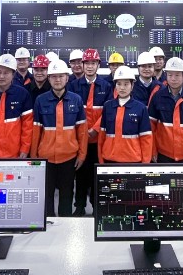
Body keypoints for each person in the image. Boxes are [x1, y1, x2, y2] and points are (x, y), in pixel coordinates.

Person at [31, 60, 87, 217]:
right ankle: (48, 224)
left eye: (61, 76)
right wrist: (34, 157)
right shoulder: (40, 100)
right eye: (54, 76)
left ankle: (65, 225)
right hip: (46, 158)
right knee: (47, 195)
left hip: (69, 158)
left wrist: (82, 155)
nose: (57, 80)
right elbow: (36, 131)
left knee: (67, 194)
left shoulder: (76, 100)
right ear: (49, 79)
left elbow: (82, 131)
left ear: (67, 78)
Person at [67, 48, 112, 216]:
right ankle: (79, 206)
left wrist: (95, 129)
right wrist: (81, 132)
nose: (90, 66)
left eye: (93, 63)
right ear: (83, 65)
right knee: (80, 174)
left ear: (98, 65)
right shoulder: (73, 86)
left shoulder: (106, 86)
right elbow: (71, 111)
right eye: (87, 63)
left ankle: (96, 206)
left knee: (96, 174)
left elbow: (108, 110)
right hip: (79, 138)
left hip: (98, 139)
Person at [148, 57, 183, 163]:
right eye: (170, 75)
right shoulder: (157, 97)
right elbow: (151, 127)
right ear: (166, 76)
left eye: (177, 75)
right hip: (163, 155)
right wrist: (153, 150)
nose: (173, 79)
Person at [99, 66, 152, 163]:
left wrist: (145, 164)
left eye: (126, 84)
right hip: (109, 159)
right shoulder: (108, 106)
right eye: (119, 84)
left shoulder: (140, 108)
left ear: (132, 85)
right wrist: (101, 159)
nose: (122, 88)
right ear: (115, 86)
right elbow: (102, 136)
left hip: (133, 160)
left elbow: (146, 138)